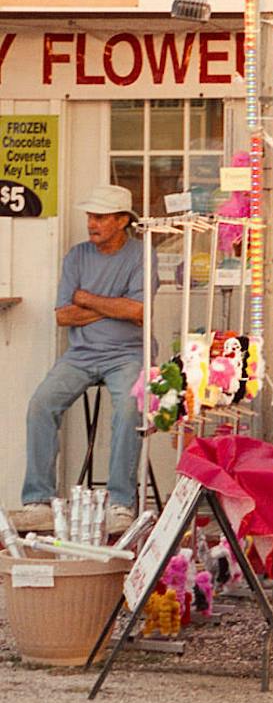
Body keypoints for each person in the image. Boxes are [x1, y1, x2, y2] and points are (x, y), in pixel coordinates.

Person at [20, 185, 147, 523]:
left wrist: (87, 299)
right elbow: (63, 316)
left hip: (127, 354)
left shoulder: (140, 254)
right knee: (40, 405)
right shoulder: (77, 256)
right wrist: (115, 306)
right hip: (81, 354)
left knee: (129, 407)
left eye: (101, 217)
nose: (92, 223)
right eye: (90, 216)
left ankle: (121, 502)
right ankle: (38, 500)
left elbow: (139, 311)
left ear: (122, 221)